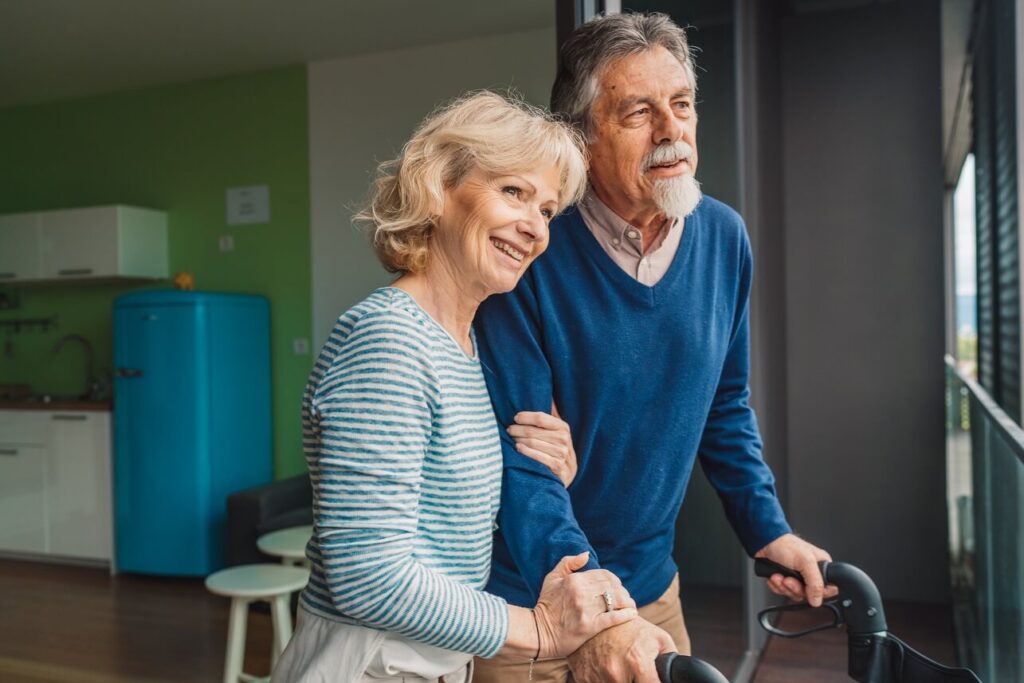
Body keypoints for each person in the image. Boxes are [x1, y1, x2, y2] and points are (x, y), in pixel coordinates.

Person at [472, 13, 836, 683]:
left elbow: (724, 407)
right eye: (640, 111)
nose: (672, 131)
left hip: (651, 593)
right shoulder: (530, 253)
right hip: (534, 604)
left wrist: (768, 529)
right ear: (583, 135)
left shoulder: (724, 239)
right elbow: (524, 463)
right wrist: (600, 610)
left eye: (682, 105)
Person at [271, 91, 640, 683]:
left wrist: (548, 471)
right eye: (513, 192)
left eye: (547, 210)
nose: (534, 228)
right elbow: (367, 575)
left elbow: (435, 530)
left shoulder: (464, 347)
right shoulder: (388, 339)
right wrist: (539, 631)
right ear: (438, 188)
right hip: (369, 661)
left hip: (428, 659)